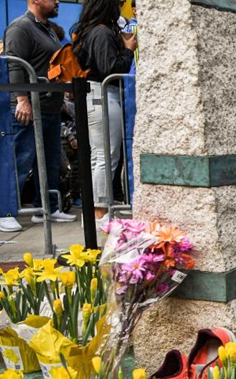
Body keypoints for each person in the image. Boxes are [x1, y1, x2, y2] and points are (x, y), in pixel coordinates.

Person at [2, 0, 77, 232]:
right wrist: (22, 100)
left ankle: (46, 208)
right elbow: (13, 66)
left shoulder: (46, 29)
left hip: (50, 108)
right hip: (29, 108)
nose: (57, 1)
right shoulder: (20, 27)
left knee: (50, 162)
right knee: (19, 161)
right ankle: (4, 212)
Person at [72, 0, 136, 227]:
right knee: (105, 155)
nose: (120, 7)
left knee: (104, 155)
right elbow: (111, 68)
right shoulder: (101, 32)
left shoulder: (94, 31)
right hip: (102, 94)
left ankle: (99, 210)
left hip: (100, 95)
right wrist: (128, 50)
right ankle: (99, 212)